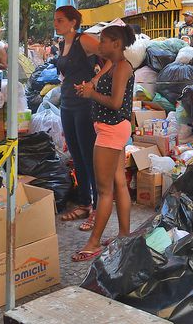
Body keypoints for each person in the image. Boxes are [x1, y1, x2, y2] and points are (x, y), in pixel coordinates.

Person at [71, 24, 135, 261]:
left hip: (111, 131)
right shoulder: (115, 66)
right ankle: (124, 235)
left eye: (103, 41)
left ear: (116, 44)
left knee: (104, 190)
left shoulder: (122, 68)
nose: (99, 45)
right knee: (118, 184)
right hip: (113, 129)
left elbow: (116, 103)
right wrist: (90, 88)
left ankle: (94, 242)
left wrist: (91, 95)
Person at [54, 6, 105, 232]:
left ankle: (97, 209)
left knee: (88, 156)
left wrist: (94, 81)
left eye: (60, 20)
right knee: (76, 156)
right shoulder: (61, 43)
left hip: (85, 105)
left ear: (73, 22)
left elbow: (113, 58)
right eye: (55, 20)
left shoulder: (84, 40)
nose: (56, 24)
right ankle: (84, 203)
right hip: (66, 103)